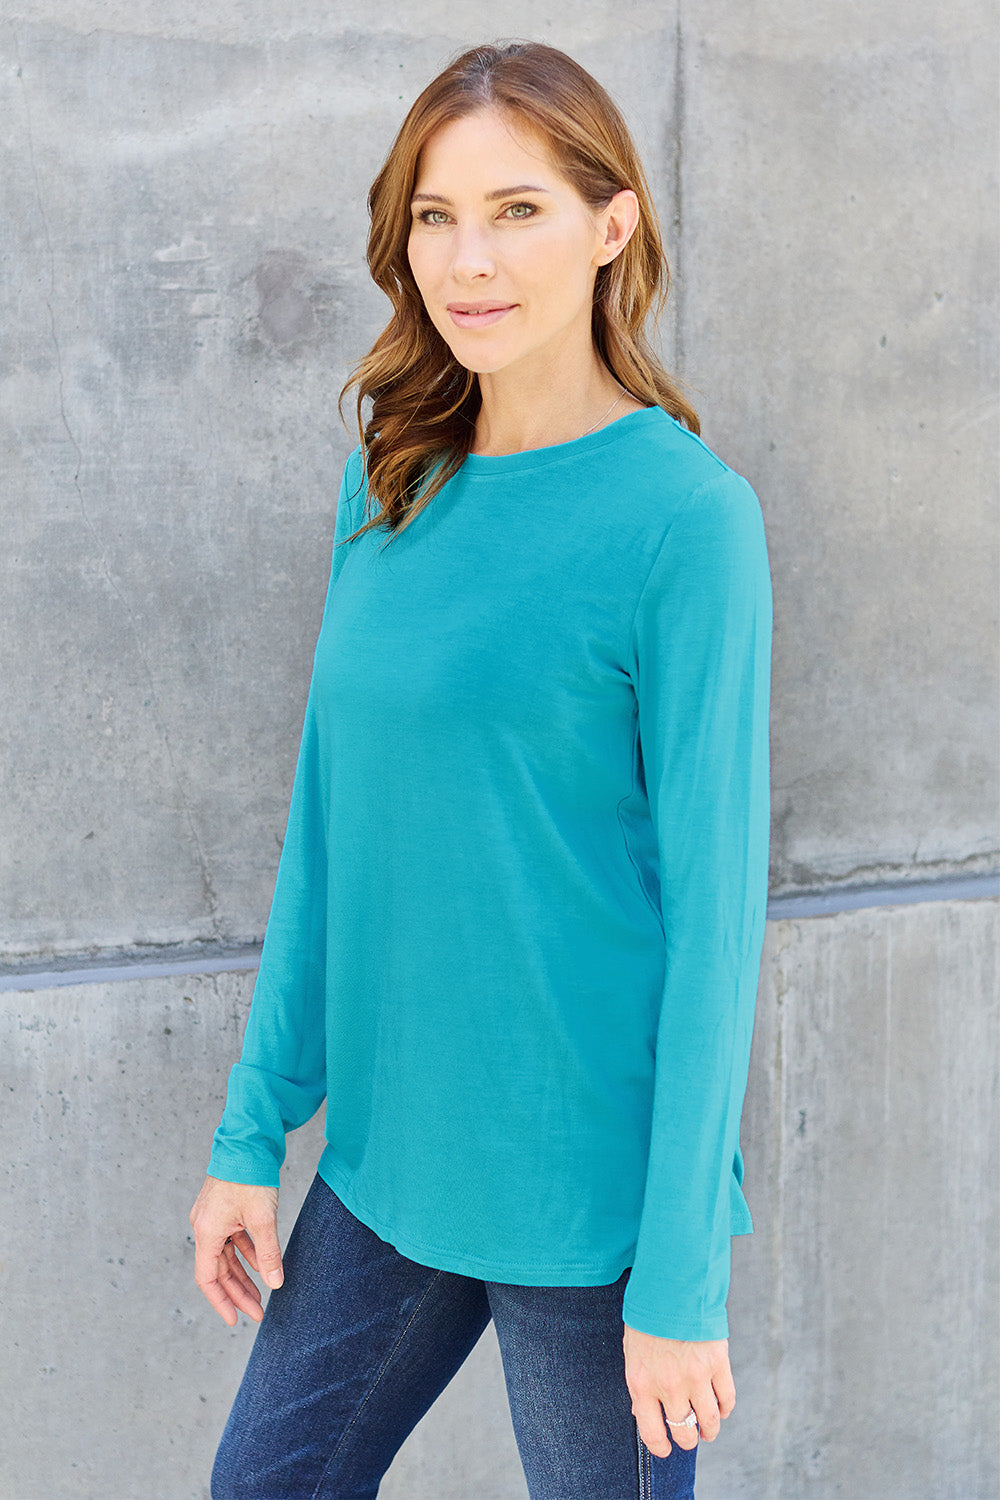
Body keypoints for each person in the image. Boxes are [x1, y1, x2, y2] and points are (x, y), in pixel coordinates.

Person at [190, 39, 773, 1500]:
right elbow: (330, 829)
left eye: (518, 211)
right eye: (435, 217)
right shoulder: (389, 473)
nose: (470, 259)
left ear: (612, 224)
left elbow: (717, 925)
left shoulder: (685, 520)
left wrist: (680, 1280)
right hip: (392, 1169)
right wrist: (252, 1130)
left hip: (593, 1207)